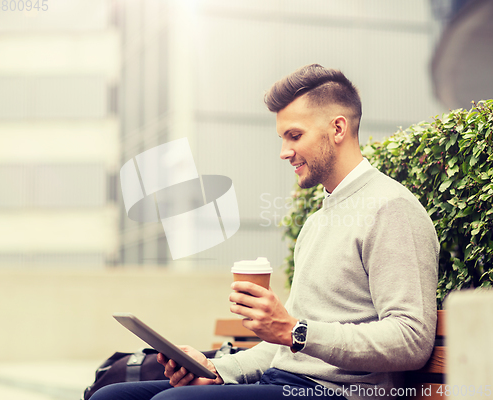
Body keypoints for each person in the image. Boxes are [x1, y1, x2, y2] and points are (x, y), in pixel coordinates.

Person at [90, 64, 439, 400]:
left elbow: (411, 340)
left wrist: (295, 331)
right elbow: (283, 346)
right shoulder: (320, 218)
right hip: (283, 382)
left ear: (337, 129)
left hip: (335, 394)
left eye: (294, 136)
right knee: (112, 395)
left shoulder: (391, 207)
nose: (285, 152)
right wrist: (214, 369)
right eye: (282, 137)